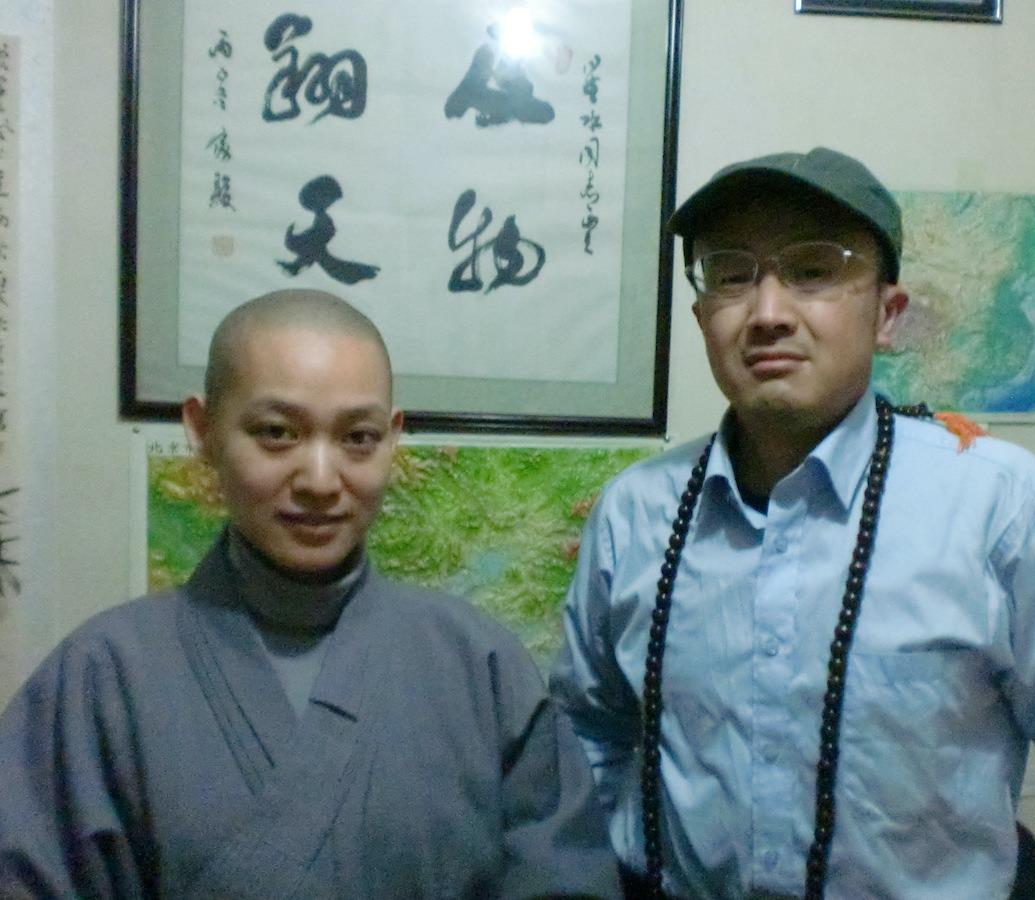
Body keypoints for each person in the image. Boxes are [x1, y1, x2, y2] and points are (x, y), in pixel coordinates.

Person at [550, 148, 1035, 898]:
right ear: (702, 317)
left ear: (888, 315)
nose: (767, 313)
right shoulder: (636, 515)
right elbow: (586, 742)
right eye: (731, 274)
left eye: (813, 270)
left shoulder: (1004, 511)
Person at [0, 289, 621, 898]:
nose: (321, 481)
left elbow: (566, 879)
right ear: (203, 430)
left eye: (358, 438)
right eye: (277, 432)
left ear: (392, 438)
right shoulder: (100, 678)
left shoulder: (480, 666)